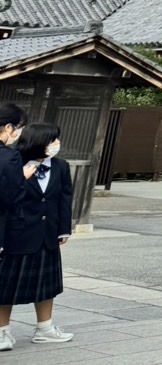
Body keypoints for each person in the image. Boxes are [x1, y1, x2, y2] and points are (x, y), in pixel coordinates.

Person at [0, 122, 73, 348]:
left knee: (46, 286)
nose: (56, 144)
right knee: (4, 286)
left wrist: (63, 228)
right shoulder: (14, 162)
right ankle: (2, 332)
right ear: (38, 142)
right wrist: (22, 178)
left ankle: (45, 328)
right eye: (52, 140)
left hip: (47, 232)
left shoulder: (61, 166)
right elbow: (6, 197)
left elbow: (65, 198)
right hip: (17, 232)